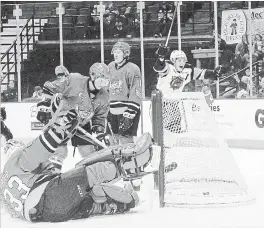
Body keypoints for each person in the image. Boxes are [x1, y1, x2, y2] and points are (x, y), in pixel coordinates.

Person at [0, 109, 156, 222]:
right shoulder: (19, 158)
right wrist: (59, 130)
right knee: (89, 169)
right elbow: (40, 149)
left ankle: (123, 203)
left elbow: (9, 209)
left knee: (88, 199)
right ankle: (136, 162)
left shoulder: (4, 181)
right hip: (50, 194)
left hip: (47, 215)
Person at [36, 64, 110, 170]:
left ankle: (91, 178)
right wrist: (45, 105)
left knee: (88, 152)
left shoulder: (104, 97)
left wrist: (99, 132)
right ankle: (50, 177)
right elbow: (49, 87)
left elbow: (100, 117)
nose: (104, 84)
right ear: (93, 76)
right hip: (62, 119)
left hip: (81, 123)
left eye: (106, 80)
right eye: (102, 79)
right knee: (60, 152)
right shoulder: (75, 80)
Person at [107, 42, 142, 146]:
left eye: (119, 52)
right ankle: (114, 162)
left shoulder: (133, 68)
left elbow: (136, 91)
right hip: (112, 110)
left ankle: (128, 162)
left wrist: (130, 113)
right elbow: (106, 89)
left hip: (126, 110)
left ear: (126, 54)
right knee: (111, 141)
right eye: (114, 52)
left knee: (126, 141)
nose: (115, 55)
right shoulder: (110, 67)